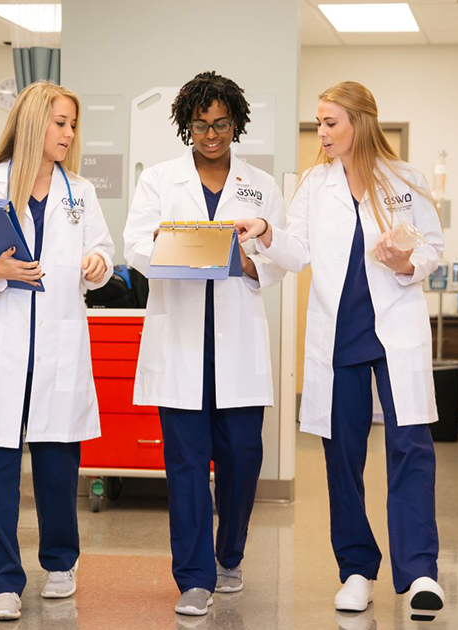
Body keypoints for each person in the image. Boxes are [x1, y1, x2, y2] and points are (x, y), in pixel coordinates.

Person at [233, 81, 447, 622]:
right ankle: (356, 570)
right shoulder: (314, 184)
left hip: (395, 331)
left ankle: (420, 572)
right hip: (341, 336)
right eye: (320, 123)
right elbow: (297, 250)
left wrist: (406, 262)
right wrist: (263, 231)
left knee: (411, 448)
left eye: (331, 122)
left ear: (359, 121)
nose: (322, 132)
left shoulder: (405, 179)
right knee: (341, 458)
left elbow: (433, 249)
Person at [0, 80, 114, 622]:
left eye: (72, 125)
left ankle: (61, 564)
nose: (68, 133)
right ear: (34, 123)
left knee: (59, 464)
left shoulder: (78, 192)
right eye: (60, 123)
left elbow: (104, 252)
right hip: (1, 348)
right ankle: (3, 582)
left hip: (57, 345)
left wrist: (98, 266)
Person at [122, 71, 286, 617]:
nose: (211, 135)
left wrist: (249, 258)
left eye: (220, 124)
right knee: (187, 466)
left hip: (236, 343)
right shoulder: (161, 180)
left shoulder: (261, 185)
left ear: (235, 123)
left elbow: (278, 259)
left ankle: (229, 556)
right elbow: (135, 245)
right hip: (182, 342)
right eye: (200, 125)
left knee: (242, 459)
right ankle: (193, 577)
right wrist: (190, 252)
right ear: (186, 125)